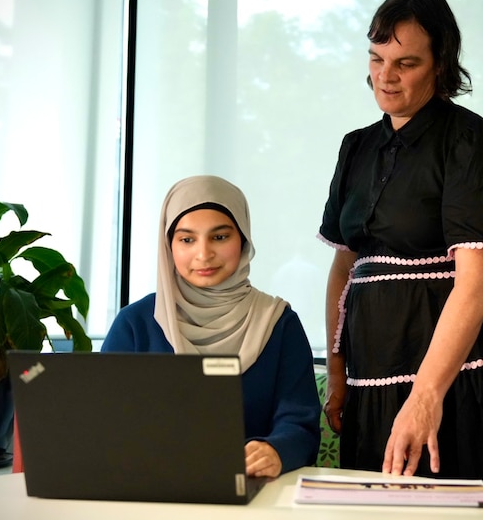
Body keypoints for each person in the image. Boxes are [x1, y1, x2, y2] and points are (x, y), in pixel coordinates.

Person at [317, 0, 483, 507]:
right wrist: (338, 373)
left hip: (463, 375)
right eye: (377, 58)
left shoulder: (473, 141)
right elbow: (346, 268)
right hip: (373, 368)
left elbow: (477, 284)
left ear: (440, 64)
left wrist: (426, 397)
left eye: (405, 63)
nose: (385, 76)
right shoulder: (356, 146)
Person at [102, 175, 321, 479]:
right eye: (187, 239)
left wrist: (276, 451)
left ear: (243, 238)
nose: (203, 254)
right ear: (168, 246)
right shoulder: (135, 324)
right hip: (148, 489)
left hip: (253, 490)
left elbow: (300, 424)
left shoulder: (279, 323)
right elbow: (105, 422)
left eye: (220, 237)